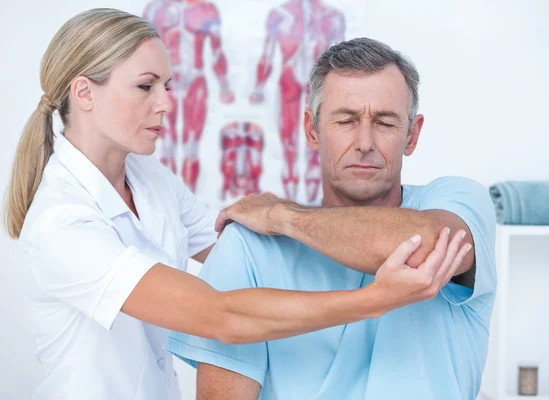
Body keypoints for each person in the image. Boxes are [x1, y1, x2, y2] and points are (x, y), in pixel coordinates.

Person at [4, 10, 469, 400]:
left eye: (169, 84)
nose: (168, 103)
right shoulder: (62, 222)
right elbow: (220, 315)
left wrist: (281, 218)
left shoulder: (150, 180)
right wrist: (372, 299)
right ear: (84, 93)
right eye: (146, 87)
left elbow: (244, 248)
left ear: (412, 132)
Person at [166, 37, 496, 400]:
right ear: (312, 130)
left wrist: (282, 215)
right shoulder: (248, 246)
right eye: (346, 121)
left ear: (412, 135)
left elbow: (425, 248)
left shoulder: (461, 202)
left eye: (385, 123)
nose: (365, 142)